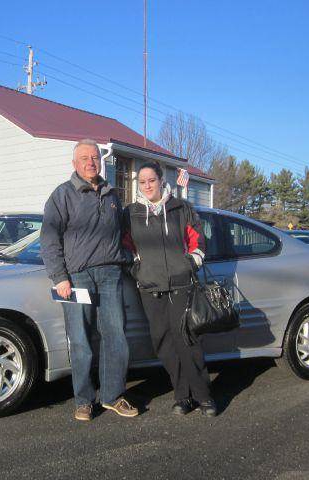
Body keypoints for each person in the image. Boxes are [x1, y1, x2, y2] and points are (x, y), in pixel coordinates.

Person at [40, 139, 138, 422]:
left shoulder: (112, 196)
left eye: (94, 157)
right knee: (81, 340)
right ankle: (83, 400)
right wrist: (60, 277)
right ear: (74, 164)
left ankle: (112, 396)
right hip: (77, 276)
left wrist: (130, 259)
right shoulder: (62, 195)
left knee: (115, 336)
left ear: (100, 161)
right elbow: (49, 240)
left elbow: (123, 234)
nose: (90, 162)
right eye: (84, 158)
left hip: (110, 274)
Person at [122, 162, 218, 416]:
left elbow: (198, 240)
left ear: (160, 180)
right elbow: (125, 247)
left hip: (180, 285)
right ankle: (182, 396)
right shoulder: (131, 213)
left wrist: (190, 264)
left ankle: (204, 397)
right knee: (163, 343)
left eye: (151, 180)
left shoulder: (180, 208)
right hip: (150, 288)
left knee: (186, 340)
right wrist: (137, 270)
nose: (147, 185)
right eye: (142, 182)